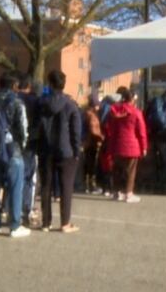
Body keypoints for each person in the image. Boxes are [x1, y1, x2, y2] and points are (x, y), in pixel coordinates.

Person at [37, 70, 82, 233]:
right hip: (66, 150)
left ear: (49, 83)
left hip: (45, 148)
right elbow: (75, 131)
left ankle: (46, 222)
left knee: (46, 187)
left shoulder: (41, 103)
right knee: (66, 187)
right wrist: (77, 150)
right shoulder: (71, 105)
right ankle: (65, 222)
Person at [0, 72, 31, 238]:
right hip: (13, 149)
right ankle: (14, 225)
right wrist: (23, 144)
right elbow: (22, 127)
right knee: (15, 186)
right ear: (14, 86)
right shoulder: (17, 102)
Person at [107, 87, 148, 203]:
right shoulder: (136, 112)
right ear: (133, 99)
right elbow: (141, 131)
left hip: (116, 144)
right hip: (132, 145)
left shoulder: (114, 111)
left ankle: (116, 192)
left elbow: (110, 128)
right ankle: (129, 193)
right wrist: (144, 147)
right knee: (131, 171)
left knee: (117, 169)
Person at [18, 73, 40, 223]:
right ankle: (27, 208)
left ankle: (10, 207)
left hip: (13, 142)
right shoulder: (34, 102)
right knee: (29, 176)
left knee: (14, 175)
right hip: (30, 142)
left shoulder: (13, 99)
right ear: (30, 86)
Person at [146, 89, 166, 189]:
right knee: (165, 160)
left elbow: (146, 116)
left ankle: (151, 182)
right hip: (165, 136)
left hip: (152, 135)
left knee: (152, 160)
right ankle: (164, 184)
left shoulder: (154, 102)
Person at [83, 94, 104, 194]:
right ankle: (91, 186)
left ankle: (87, 186)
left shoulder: (88, 113)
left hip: (88, 142)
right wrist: (102, 137)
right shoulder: (91, 115)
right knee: (91, 166)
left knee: (88, 165)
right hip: (91, 143)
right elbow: (93, 130)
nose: (99, 106)